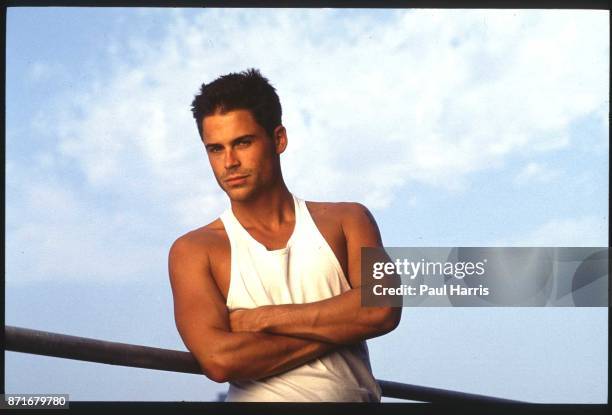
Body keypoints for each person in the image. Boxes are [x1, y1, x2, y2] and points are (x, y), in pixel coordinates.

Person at [168, 68, 401, 402]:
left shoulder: (348, 219)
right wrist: (347, 325)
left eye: (243, 143)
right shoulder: (194, 250)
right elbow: (220, 361)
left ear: (279, 139)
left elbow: (382, 308)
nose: (229, 162)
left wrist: (264, 319)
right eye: (216, 149)